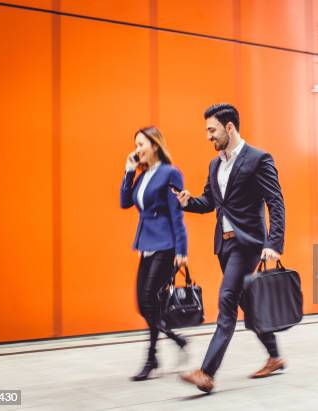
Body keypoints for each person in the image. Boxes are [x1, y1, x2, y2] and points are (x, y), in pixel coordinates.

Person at [175, 103, 285, 393]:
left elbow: (276, 203)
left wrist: (274, 243)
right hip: (223, 247)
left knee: (226, 301)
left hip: (248, 246)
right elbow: (211, 203)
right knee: (247, 305)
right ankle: (275, 356)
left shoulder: (259, 159)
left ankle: (206, 372)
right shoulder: (215, 164)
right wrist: (188, 203)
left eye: (211, 130)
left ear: (229, 127)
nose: (208, 136)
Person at [120, 126, 189, 381]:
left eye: (141, 144)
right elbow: (125, 202)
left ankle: (151, 358)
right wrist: (128, 171)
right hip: (145, 246)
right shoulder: (142, 175)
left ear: (155, 146)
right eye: (136, 145)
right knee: (143, 304)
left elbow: (176, 215)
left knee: (150, 300)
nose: (137, 149)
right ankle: (176, 339)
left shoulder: (170, 173)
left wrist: (182, 250)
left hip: (165, 245)